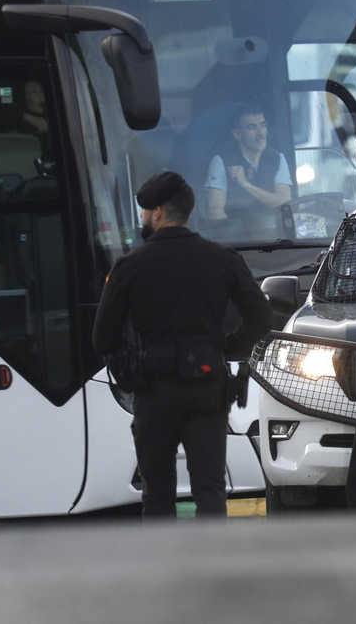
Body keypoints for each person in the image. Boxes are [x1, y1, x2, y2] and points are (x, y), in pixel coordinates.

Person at [91, 171, 275, 520]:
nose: (144, 218)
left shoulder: (129, 266)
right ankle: (211, 567)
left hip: (154, 388)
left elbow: (102, 337)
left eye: (145, 212)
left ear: (157, 212)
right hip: (207, 384)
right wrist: (225, 347)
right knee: (209, 488)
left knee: (157, 492)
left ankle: (165, 569)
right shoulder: (222, 259)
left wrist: (130, 368)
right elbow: (262, 319)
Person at [205, 105, 293, 232]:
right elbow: (215, 213)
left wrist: (246, 184)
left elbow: (284, 202)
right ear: (237, 134)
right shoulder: (222, 161)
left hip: (274, 235)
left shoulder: (277, 158)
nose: (260, 134)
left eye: (263, 126)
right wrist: (239, 240)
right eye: (252, 128)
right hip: (239, 237)